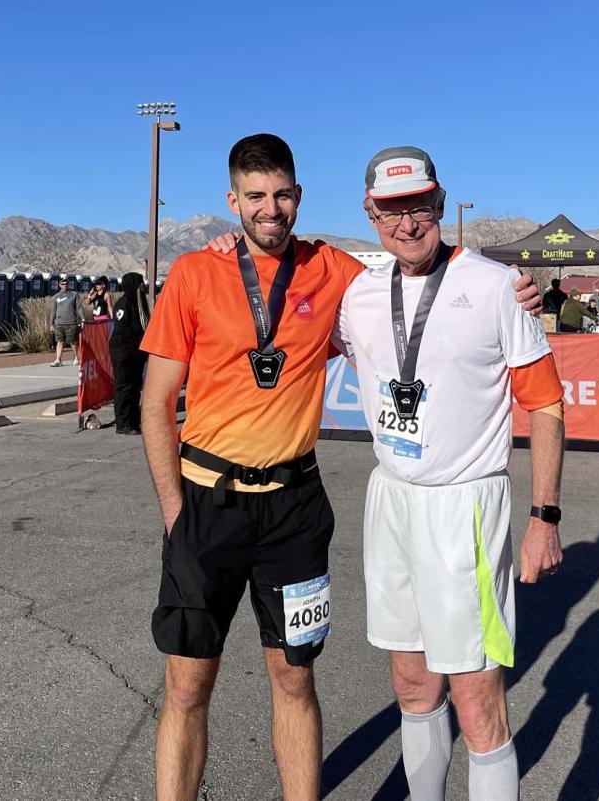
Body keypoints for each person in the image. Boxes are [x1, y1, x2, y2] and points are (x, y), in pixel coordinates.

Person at [139, 134, 542, 801]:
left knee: (295, 679)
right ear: (232, 200)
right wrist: (176, 515)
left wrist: (514, 293)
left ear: (299, 196)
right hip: (206, 505)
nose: (271, 208)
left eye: (282, 194)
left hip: (294, 510)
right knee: (186, 685)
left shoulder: (335, 273)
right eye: (256, 196)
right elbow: (156, 404)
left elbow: (419, 283)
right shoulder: (193, 272)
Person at [331, 145, 565, 801]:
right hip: (392, 500)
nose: (408, 222)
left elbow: (545, 404)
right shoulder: (358, 295)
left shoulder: (495, 286)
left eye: (420, 206)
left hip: (467, 506)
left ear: (439, 202)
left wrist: (545, 517)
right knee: (411, 683)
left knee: (476, 697)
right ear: (371, 212)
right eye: (391, 209)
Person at [110, 272, 149, 434]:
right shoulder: (123, 304)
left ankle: (133, 420)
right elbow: (122, 329)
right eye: (140, 283)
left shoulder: (139, 304)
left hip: (136, 354)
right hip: (124, 352)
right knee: (124, 386)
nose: (142, 287)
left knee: (134, 387)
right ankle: (123, 423)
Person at [48, 276, 83, 366]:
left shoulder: (74, 294)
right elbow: (53, 311)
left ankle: (76, 357)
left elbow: (79, 307)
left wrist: (83, 319)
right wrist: (51, 323)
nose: (65, 285)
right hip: (59, 323)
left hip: (71, 322)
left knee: (73, 341)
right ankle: (58, 359)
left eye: (66, 284)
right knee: (59, 341)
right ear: (60, 285)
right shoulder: (56, 297)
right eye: (63, 284)